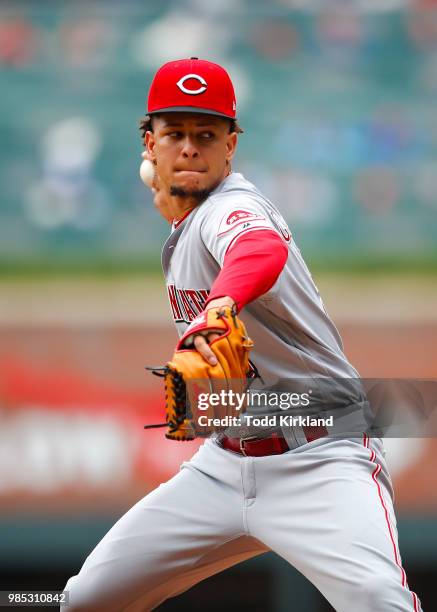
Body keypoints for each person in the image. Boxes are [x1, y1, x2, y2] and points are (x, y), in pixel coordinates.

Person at [63, 58, 422, 612]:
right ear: (148, 142)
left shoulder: (235, 206)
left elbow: (260, 249)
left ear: (231, 145)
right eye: (174, 134)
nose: (189, 148)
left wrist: (221, 304)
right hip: (224, 466)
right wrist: (176, 208)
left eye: (206, 135)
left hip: (321, 458)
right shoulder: (191, 216)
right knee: (85, 599)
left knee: (380, 602)